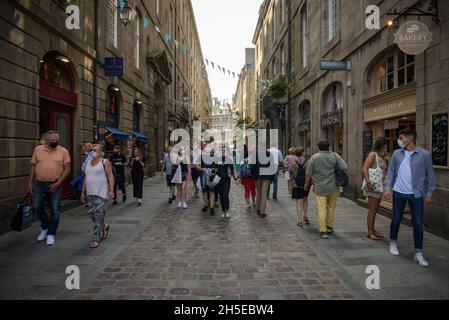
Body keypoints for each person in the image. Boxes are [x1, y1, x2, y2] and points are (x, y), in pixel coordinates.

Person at [384, 129, 435, 267]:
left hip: (416, 194)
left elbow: (430, 175)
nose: (399, 140)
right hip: (399, 192)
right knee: (396, 218)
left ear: (410, 138)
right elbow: (391, 172)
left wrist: (429, 193)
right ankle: (393, 243)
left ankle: (418, 253)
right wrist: (388, 188)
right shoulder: (396, 153)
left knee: (418, 223)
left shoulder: (424, 155)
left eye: (402, 137)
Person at [27, 130, 71, 246]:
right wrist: (30, 183)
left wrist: (58, 183)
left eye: (56, 140)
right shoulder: (38, 150)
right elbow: (33, 167)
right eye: (52, 140)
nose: (54, 142)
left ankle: (51, 233)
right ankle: (45, 226)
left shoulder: (63, 151)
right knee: (36, 207)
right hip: (40, 183)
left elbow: (67, 169)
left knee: (55, 210)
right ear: (46, 140)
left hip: (56, 183)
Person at [304, 140, 348, 239]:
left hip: (320, 187)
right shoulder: (334, 155)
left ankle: (323, 230)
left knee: (321, 208)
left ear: (318, 147)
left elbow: (308, 173)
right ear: (329, 147)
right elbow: (345, 167)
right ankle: (329, 226)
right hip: (333, 186)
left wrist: (306, 184)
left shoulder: (314, 157)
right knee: (331, 207)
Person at [81, 144, 115, 249]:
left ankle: (95, 238)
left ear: (100, 152)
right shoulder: (88, 163)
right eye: (91, 150)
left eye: (95, 150)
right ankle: (104, 226)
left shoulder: (104, 162)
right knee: (92, 213)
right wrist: (82, 192)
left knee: (98, 214)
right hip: (90, 193)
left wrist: (111, 190)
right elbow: (86, 178)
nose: (92, 151)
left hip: (101, 192)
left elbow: (110, 177)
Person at [362, 137, 388, 240]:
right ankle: (370, 232)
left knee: (375, 209)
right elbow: (364, 168)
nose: (386, 148)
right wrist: (368, 182)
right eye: (385, 146)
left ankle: (372, 229)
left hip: (379, 186)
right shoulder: (373, 155)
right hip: (372, 186)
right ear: (381, 146)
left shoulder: (381, 156)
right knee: (372, 209)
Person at [216, 145, 238, 218]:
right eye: (222, 150)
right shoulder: (217, 158)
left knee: (225, 195)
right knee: (221, 196)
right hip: (219, 180)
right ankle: (223, 210)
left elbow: (233, 169)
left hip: (226, 180)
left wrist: (235, 178)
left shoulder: (229, 159)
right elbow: (215, 168)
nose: (223, 152)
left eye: (224, 150)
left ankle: (227, 209)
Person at [197, 145, 218, 216]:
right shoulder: (201, 156)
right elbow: (197, 166)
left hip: (211, 176)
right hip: (203, 176)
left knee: (212, 191)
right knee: (204, 191)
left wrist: (213, 170)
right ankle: (205, 205)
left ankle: (212, 207)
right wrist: (204, 170)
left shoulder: (214, 157)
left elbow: (217, 167)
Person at [291, 147, 310, 227]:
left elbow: (290, 172)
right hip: (306, 184)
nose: (305, 152)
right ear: (302, 152)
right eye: (304, 151)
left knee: (299, 202)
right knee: (305, 199)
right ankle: (305, 216)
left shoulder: (293, 162)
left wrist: (293, 181)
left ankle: (299, 220)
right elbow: (309, 173)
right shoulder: (307, 162)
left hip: (296, 184)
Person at [255, 148, 275, 218]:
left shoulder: (255, 154)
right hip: (266, 176)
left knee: (259, 193)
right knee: (264, 194)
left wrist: (253, 176)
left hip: (257, 176)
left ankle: (258, 208)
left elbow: (252, 166)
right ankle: (262, 211)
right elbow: (272, 167)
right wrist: (272, 178)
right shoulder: (269, 154)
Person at [239, 145, 256, 210]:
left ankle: (247, 204)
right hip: (252, 178)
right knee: (253, 190)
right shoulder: (252, 160)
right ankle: (254, 201)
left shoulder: (242, 161)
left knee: (247, 190)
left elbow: (240, 171)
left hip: (245, 178)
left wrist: (240, 179)